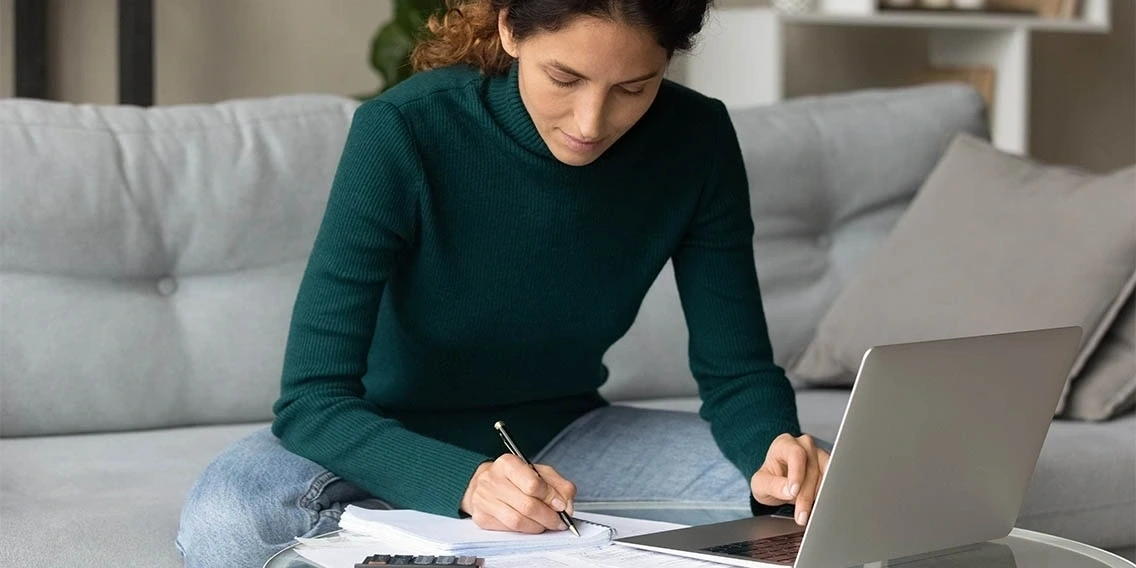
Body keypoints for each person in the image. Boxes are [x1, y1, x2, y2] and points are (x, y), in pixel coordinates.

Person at [176, 1, 832, 566]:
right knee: (233, 517)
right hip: (371, 434)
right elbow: (311, 402)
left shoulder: (698, 139)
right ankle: (419, 509)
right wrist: (463, 482)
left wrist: (773, 446)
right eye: (564, 77)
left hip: (563, 434)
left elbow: (738, 372)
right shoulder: (404, 130)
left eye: (635, 87)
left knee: (837, 486)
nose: (590, 122)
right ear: (511, 28)